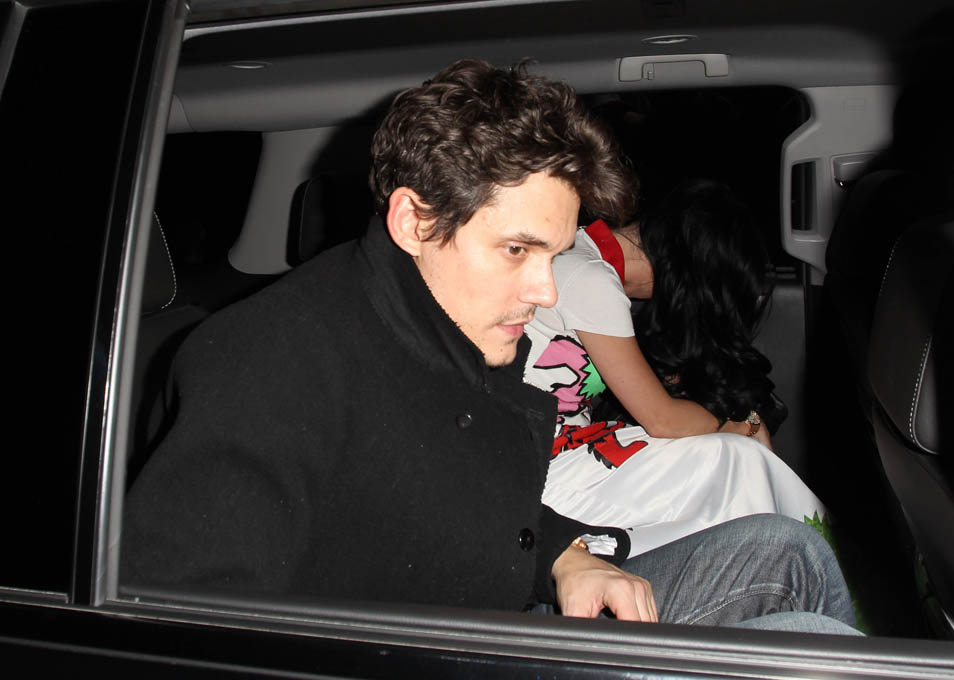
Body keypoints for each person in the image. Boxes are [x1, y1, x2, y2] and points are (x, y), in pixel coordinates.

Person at [122, 59, 855, 632]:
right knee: (806, 637)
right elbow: (182, 627)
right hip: (454, 652)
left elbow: (491, 493)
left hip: (517, 601)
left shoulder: (465, 323)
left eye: (554, 253)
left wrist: (566, 558)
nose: (545, 290)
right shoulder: (267, 363)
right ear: (415, 222)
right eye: (516, 250)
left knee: (789, 550)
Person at [525, 179, 827, 556]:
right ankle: (806, 569)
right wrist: (743, 424)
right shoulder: (590, 278)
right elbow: (662, 419)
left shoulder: (581, 255)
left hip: (562, 450)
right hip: (538, 470)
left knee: (732, 465)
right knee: (739, 461)